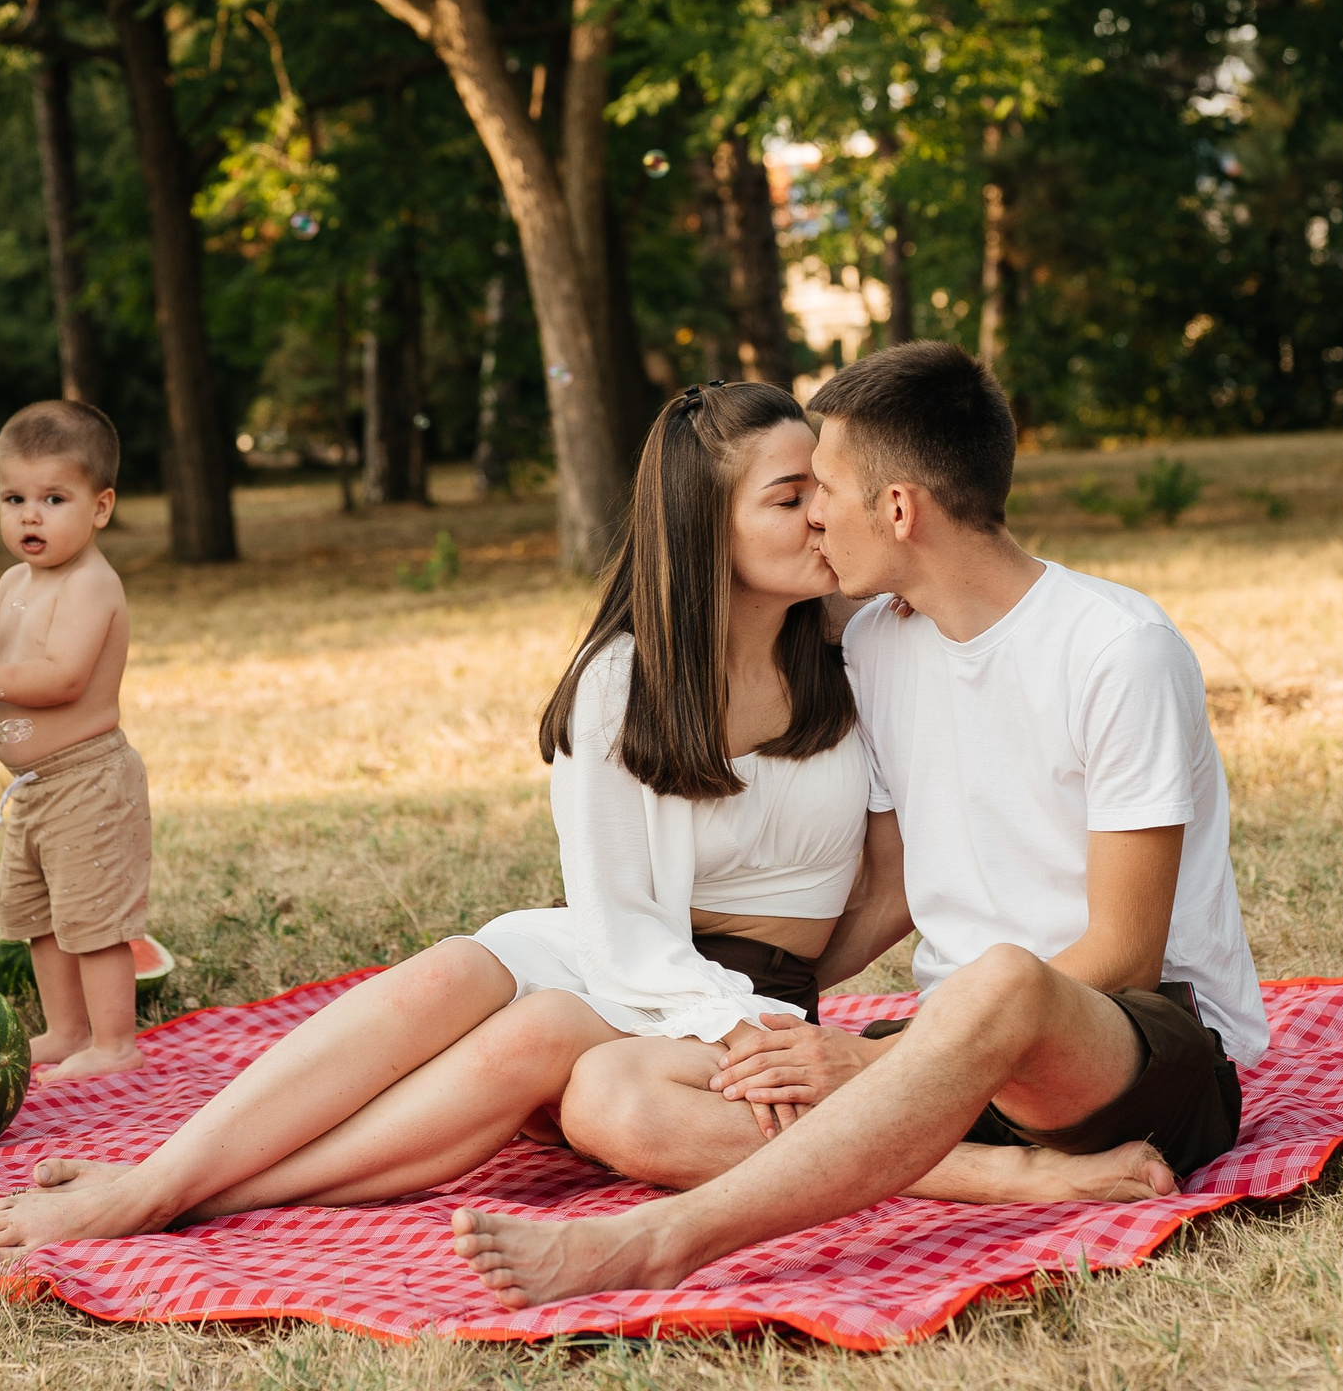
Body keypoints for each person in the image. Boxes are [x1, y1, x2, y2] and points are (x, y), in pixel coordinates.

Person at [451, 341, 1269, 1311]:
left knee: (1003, 978)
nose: (813, 517)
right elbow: (887, 888)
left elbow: (1126, 950)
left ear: (898, 510)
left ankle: (660, 1243)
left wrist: (875, 1057)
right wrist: (741, 1009)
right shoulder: (878, 643)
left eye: (825, 489)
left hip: (1131, 1047)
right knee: (607, 1092)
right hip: (951, 1057)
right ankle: (1000, 1174)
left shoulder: (1118, 651)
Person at [0, 381, 872, 1256]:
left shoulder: (854, 647)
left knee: (540, 1031)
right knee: (452, 970)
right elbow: (617, 914)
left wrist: (746, 1020)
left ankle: (184, 1196)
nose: (823, 516)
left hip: (743, 990)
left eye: (821, 491)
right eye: (791, 497)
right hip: (632, 951)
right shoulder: (620, 679)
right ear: (704, 524)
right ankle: (163, 1177)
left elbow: (896, 875)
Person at [0, 398, 166, 1082]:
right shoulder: (12, 583)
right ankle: (67, 1031)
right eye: (14, 499)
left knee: (93, 916)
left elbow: (61, 680)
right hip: (33, 788)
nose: (31, 516)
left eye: (54, 499)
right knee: (41, 915)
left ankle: (114, 1045)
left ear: (100, 507)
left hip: (89, 780)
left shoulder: (91, 585)